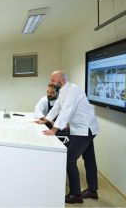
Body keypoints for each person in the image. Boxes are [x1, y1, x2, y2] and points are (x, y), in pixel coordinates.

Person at [38, 70, 99, 204]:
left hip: (85, 128)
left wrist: (55, 128)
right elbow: (58, 107)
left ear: (62, 80)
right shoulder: (63, 91)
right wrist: (46, 120)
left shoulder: (73, 91)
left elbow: (67, 110)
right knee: (89, 158)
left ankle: (75, 194)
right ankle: (92, 191)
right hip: (81, 128)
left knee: (69, 159)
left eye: (54, 80)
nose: (52, 83)